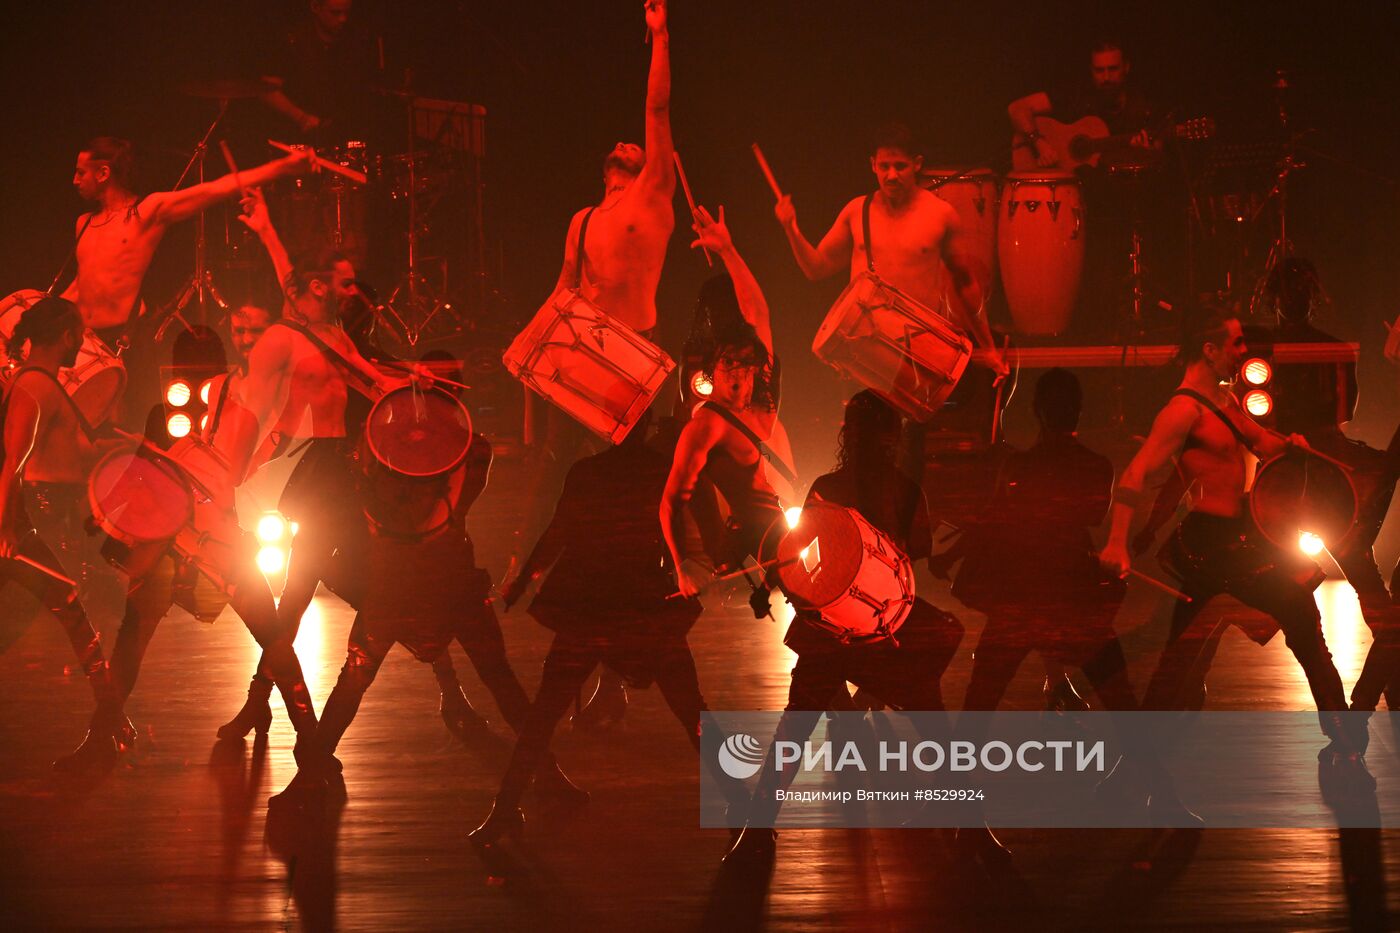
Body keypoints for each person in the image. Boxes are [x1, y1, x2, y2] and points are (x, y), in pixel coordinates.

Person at [1098, 304, 1369, 781]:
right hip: (1209, 545)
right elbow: (1137, 472)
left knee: (1182, 646)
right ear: (1209, 350)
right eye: (1235, 344)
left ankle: (1120, 725)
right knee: (1292, 620)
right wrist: (1118, 541)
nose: (1242, 352)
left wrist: (1293, 445)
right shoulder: (1182, 410)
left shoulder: (1222, 403)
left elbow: (1262, 443)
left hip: (1233, 541)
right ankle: (1343, 735)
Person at [292, 358, 576, 788]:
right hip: (427, 580)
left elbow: (417, 491)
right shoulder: (428, 446)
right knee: (361, 679)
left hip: (423, 582)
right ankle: (549, 772)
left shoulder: (436, 449)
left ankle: (549, 771)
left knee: (363, 680)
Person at [468, 407, 745, 845]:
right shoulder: (660, 470)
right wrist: (723, 563)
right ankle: (741, 808)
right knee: (693, 710)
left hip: (588, 609)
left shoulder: (586, 472)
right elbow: (704, 524)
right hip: (644, 607)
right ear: (649, 427)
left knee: (544, 714)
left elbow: (556, 533)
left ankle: (504, 811)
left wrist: (521, 584)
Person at [724, 391, 966, 864]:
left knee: (795, 727)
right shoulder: (905, 488)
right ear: (891, 438)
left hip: (830, 630)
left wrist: (772, 580)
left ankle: (757, 829)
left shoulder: (826, 488)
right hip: (883, 628)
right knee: (935, 728)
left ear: (845, 435)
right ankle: (972, 827)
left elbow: (801, 560)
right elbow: (916, 555)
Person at [1268, 259, 1399, 727]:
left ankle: (1354, 715)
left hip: (1282, 477)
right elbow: (1348, 410)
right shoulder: (1334, 347)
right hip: (1330, 474)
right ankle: (1368, 705)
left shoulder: (1260, 348)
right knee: (1367, 582)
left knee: (1287, 601)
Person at [774, 122, 1006, 384]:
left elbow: (966, 285)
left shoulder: (941, 215)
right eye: (884, 166)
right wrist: (790, 229)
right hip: (865, 351)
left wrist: (988, 346)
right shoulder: (856, 211)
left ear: (917, 164)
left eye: (900, 166)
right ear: (873, 164)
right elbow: (816, 269)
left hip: (921, 351)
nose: (891, 175)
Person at [0, 297, 126, 769]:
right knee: (77, 612)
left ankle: (113, 720)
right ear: (67, 335)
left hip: (60, 515)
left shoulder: (47, 385)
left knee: (79, 615)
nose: (83, 342)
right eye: (79, 333)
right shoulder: (33, 385)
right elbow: (14, 461)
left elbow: (80, 450)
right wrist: (8, 527)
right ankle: (112, 721)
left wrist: (138, 446)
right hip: (39, 515)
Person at [662, 208, 796, 605]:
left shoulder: (763, 397)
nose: (737, 375)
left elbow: (760, 316)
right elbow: (671, 501)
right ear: (714, 368)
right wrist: (682, 564)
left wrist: (729, 250)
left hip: (783, 528)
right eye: (728, 366)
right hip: (753, 539)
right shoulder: (707, 426)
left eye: (745, 365)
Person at [62, 137, 313, 340]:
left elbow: (218, 187)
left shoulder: (146, 212)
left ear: (103, 173)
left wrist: (284, 167)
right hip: (83, 338)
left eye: (80, 172)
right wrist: (34, 307)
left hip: (125, 338)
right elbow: (83, 283)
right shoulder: (84, 222)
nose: (75, 181)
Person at [1006, 38, 1156, 170]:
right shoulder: (1075, 94)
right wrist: (1039, 143)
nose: (1106, 77)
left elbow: (1154, 155)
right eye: (1099, 70)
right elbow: (1017, 108)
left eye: (1113, 69)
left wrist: (1146, 152)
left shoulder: (1139, 107)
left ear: (1126, 67)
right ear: (1091, 70)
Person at [260, 0, 384, 144]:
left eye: (347, 12)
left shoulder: (357, 40)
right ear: (315, 7)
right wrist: (302, 118)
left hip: (347, 134)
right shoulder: (293, 42)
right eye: (335, 13)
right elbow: (267, 91)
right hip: (301, 137)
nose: (343, 19)